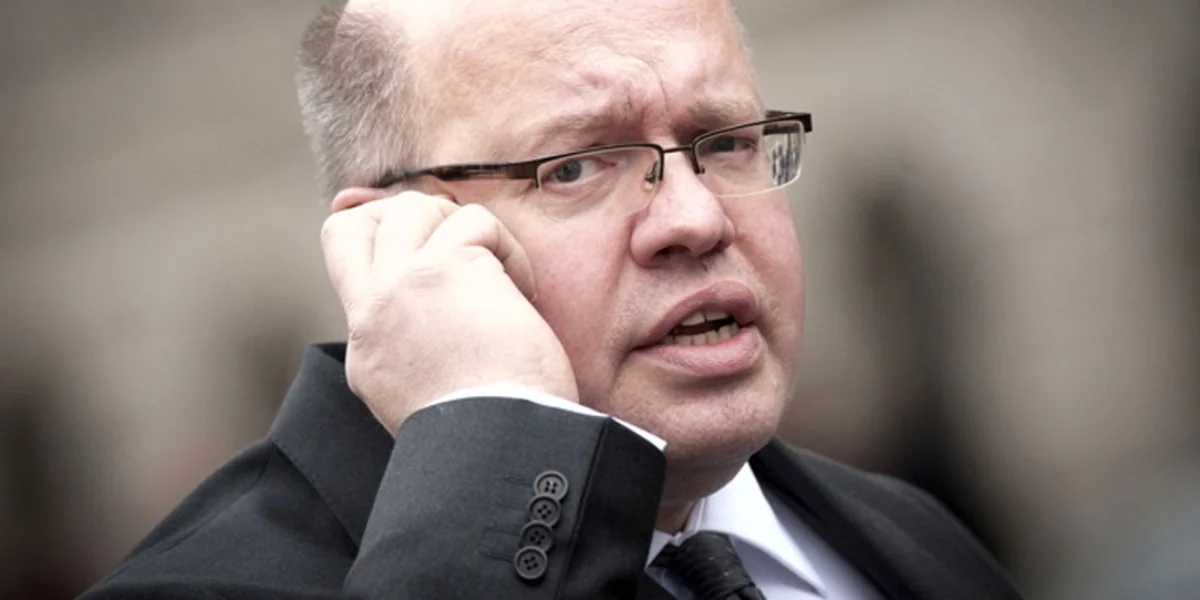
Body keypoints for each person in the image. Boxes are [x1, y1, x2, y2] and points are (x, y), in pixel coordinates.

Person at [83, 0, 1022, 598]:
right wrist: (491, 439)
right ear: (393, 242)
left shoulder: (911, 542)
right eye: (575, 166)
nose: (695, 218)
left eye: (727, 141)